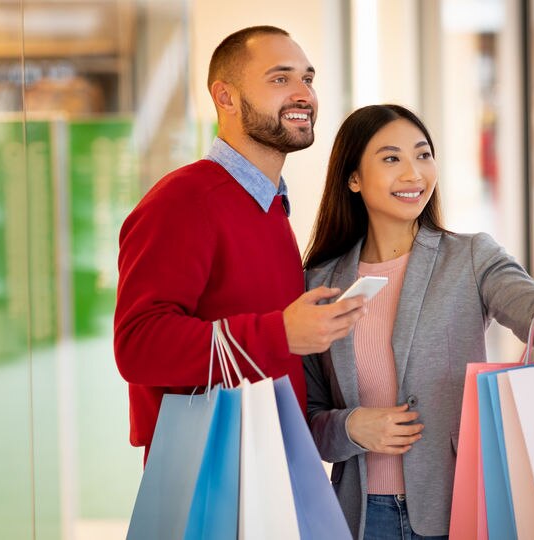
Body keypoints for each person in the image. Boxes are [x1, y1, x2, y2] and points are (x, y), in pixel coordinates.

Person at [302, 104, 534, 539]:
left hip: (460, 507)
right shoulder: (320, 283)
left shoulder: (471, 258)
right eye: (391, 158)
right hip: (359, 517)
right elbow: (307, 419)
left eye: (423, 155)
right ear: (353, 178)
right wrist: (351, 427)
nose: (413, 173)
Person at [114, 25, 365, 460]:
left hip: (270, 459)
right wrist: (280, 333)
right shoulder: (183, 200)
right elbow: (137, 345)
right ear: (225, 97)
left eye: (307, 78)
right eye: (280, 78)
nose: (303, 93)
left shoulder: (269, 204)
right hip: (211, 468)